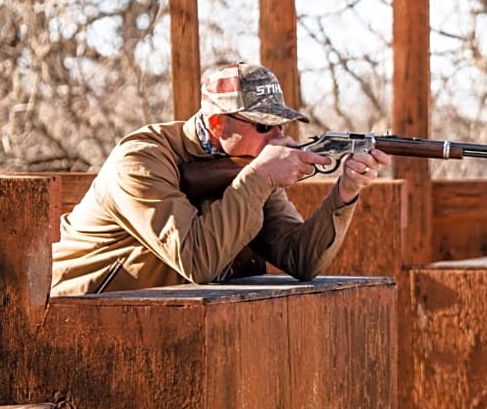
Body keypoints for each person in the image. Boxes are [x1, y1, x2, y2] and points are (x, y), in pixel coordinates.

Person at [50, 62, 389, 296]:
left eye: (280, 125)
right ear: (216, 124)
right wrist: (258, 177)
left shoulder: (249, 166)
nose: (276, 136)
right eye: (262, 125)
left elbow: (300, 259)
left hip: (153, 319)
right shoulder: (140, 161)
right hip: (73, 317)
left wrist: (344, 194)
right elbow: (197, 261)